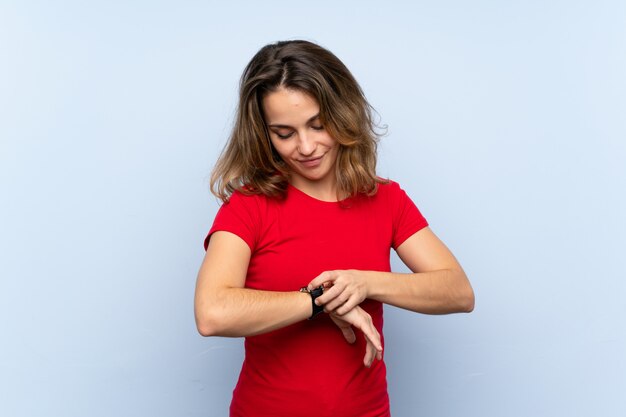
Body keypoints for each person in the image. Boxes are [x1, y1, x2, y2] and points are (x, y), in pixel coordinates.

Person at [194, 40, 475, 417]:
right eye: (284, 132)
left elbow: (458, 291)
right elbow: (212, 312)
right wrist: (317, 302)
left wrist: (364, 283)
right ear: (264, 133)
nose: (306, 146)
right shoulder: (249, 205)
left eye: (318, 125)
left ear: (342, 114)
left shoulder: (385, 199)